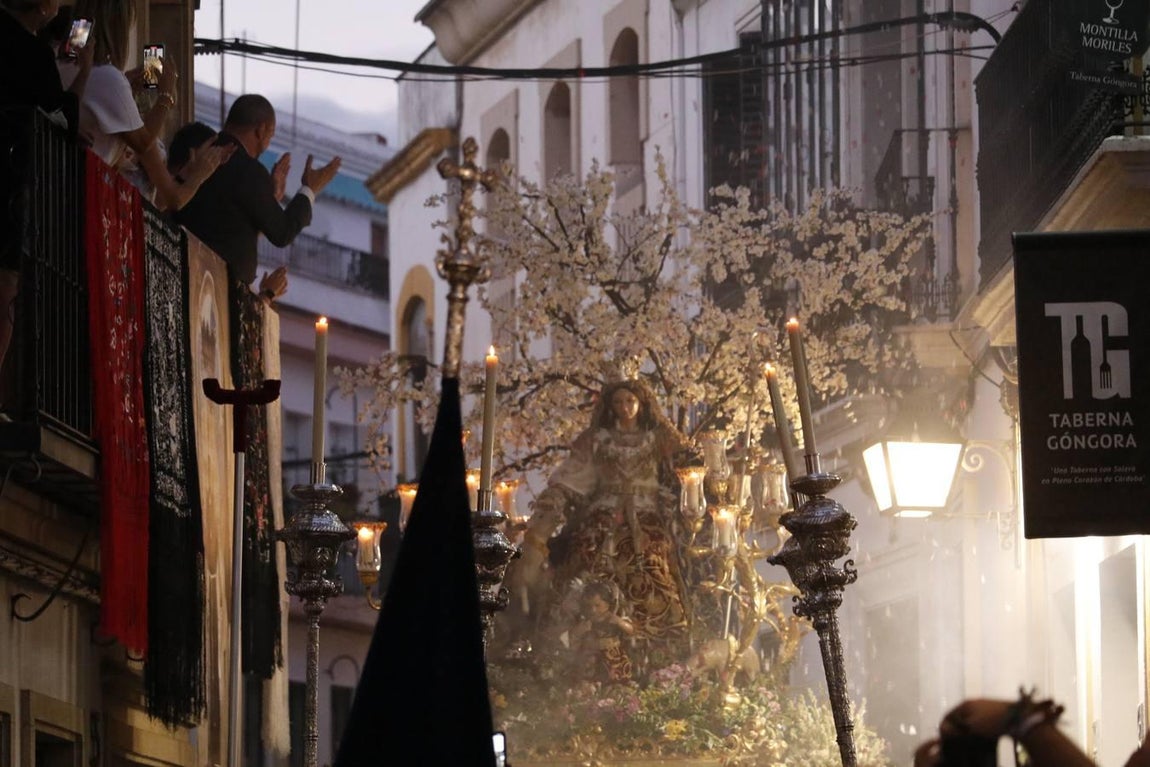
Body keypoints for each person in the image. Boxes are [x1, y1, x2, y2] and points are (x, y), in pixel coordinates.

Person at [516, 378, 692, 669]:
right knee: (586, 552)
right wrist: (554, 496)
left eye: (630, 401)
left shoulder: (658, 437)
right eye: (618, 402)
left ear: (642, 404)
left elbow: (687, 464)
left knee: (653, 556)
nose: (625, 407)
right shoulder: (597, 439)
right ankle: (577, 641)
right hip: (604, 510)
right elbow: (574, 473)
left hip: (646, 513)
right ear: (610, 406)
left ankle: (655, 643)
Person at [175, 93, 341, 301]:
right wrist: (309, 189)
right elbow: (282, 232)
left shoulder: (201, 148)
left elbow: (230, 220)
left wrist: (271, 198)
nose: (268, 142)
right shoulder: (249, 170)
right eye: (271, 135)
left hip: (180, 264)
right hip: (213, 290)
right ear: (261, 130)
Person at [67, 0, 228, 212]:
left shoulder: (65, 66)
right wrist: (166, 96)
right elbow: (143, 144)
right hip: (81, 199)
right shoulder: (108, 78)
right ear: (119, 28)